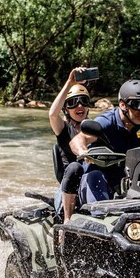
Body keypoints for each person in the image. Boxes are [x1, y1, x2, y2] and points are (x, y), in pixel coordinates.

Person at [69, 79, 140, 205]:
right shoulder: (106, 122)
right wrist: (84, 152)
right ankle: (99, 216)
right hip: (96, 182)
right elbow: (78, 140)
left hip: (124, 183)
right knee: (95, 176)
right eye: (138, 105)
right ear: (123, 105)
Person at [49, 68, 92, 221]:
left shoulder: (95, 128)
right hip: (70, 182)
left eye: (83, 101)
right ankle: (67, 220)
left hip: (91, 179)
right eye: (73, 103)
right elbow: (52, 114)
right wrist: (69, 83)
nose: (79, 106)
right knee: (75, 167)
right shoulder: (63, 129)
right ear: (66, 109)